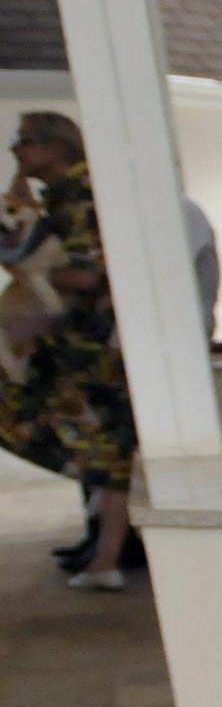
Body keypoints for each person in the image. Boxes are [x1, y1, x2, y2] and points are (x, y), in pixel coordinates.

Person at [1, 111, 137, 591]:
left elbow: (88, 274)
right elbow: (14, 217)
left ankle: (107, 557)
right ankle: (103, 556)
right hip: (82, 342)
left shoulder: (78, 195)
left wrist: (33, 273)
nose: (19, 149)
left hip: (92, 343)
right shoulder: (61, 192)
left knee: (105, 446)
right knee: (104, 447)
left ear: (60, 146)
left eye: (29, 142)